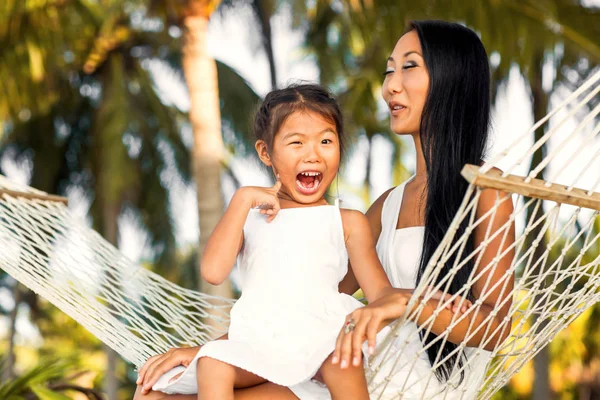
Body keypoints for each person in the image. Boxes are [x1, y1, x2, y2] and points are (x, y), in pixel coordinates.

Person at [136, 20, 515, 399]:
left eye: (409, 67)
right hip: (343, 367)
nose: (390, 86)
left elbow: (496, 329)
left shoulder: (485, 192)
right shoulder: (386, 205)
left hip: (408, 383)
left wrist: (405, 301)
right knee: (153, 394)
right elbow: (301, 301)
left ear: (453, 78)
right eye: (389, 70)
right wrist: (213, 350)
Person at [135, 83, 406, 400]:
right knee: (186, 375)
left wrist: (423, 298)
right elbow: (212, 271)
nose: (313, 154)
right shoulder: (250, 217)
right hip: (259, 347)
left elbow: (380, 296)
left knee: (340, 359)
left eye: (326, 141)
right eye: (296, 142)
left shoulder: (347, 222)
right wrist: (243, 198)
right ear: (266, 152)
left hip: (319, 348)